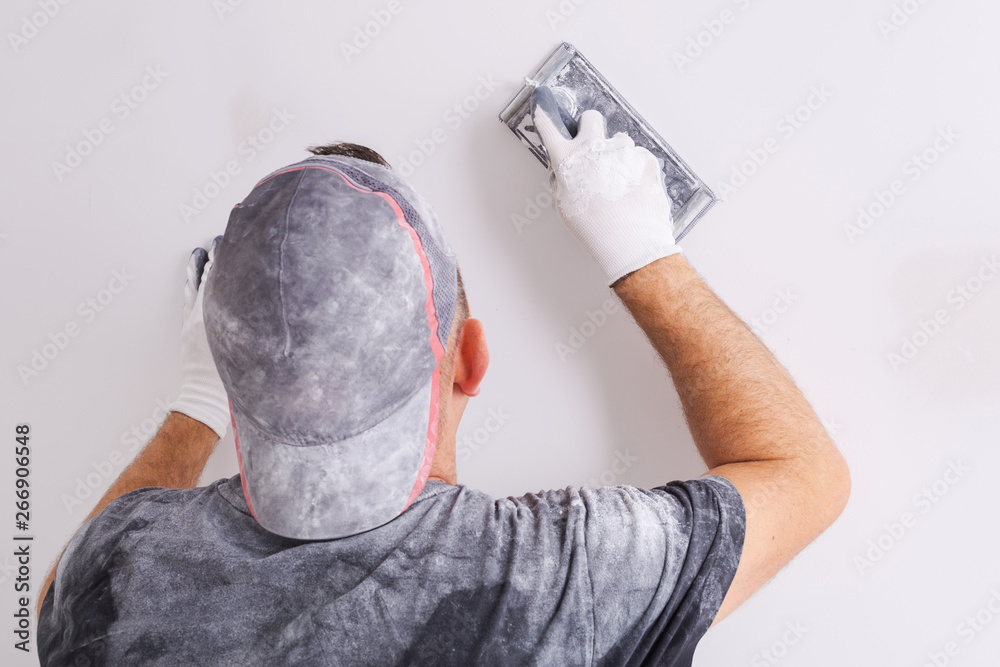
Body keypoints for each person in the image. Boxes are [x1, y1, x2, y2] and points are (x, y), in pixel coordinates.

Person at [36, 91, 850, 666]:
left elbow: (60, 606)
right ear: (472, 359)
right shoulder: (560, 581)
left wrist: (198, 403)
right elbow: (805, 476)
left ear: (229, 362)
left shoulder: (124, 580)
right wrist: (643, 252)